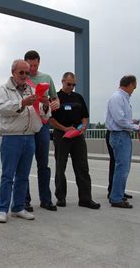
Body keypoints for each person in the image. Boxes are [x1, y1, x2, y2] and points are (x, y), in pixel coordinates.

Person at [0, 59, 50, 223]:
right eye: (21, 72)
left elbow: (41, 113)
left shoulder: (32, 90)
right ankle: (2, 209)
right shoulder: (4, 89)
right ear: (13, 72)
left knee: (23, 176)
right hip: (12, 138)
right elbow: (1, 108)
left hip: (30, 137)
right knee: (8, 175)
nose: (25, 76)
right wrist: (22, 103)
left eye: (27, 73)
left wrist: (45, 106)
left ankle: (18, 207)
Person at [49, 72, 100, 209]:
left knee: (82, 167)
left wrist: (83, 125)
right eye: (69, 84)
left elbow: (84, 115)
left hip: (77, 136)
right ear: (62, 81)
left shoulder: (78, 98)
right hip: (62, 135)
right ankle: (61, 197)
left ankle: (85, 199)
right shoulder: (55, 98)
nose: (71, 87)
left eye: (73, 85)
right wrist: (64, 128)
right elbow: (50, 119)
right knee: (61, 167)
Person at [23, 50, 59, 212]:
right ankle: (24, 200)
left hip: (43, 124)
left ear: (39, 63)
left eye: (35, 65)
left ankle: (46, 199)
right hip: (27, 124)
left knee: (43, 164)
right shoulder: (21, 78)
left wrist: (54, 103)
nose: (32, 68)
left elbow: (55, 98)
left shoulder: (46, 78)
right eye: (29, 65)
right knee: (25, 164)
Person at [105, 75, 140, 208]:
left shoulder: (122, 98)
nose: (134, 89)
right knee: (122, 167)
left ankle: (118, 195)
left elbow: (121, 118)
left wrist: (131, 122)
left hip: (122, 134)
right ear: (129, 85)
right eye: (134, 86)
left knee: (122, 167)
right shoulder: (118, 98)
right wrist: (135, 127)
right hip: (119, 135)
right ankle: (116, 198)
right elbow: (119, 120)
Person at [106, 131, 133, 201]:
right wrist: (135, 127)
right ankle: (113, 192)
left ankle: (119, 191)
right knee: (116, 164)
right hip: (115, 133)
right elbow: (120, 121)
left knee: (119, 165)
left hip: (120, 133)